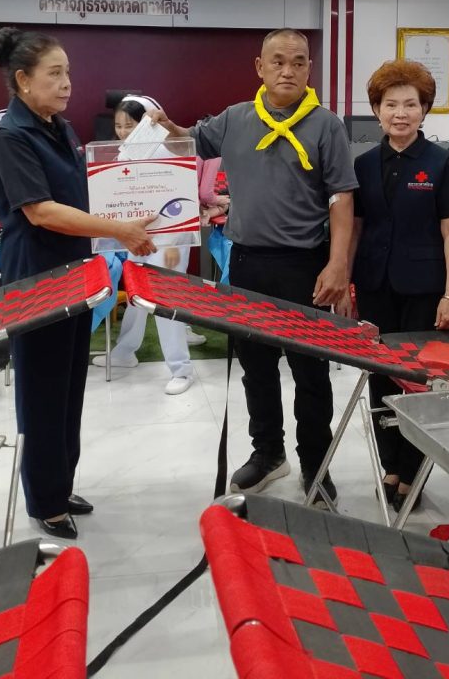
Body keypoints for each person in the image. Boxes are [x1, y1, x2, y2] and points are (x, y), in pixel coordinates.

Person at [151, 28, 356, 506]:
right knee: (256, 368)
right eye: (278, 61)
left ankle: (315, 463)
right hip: (247, 263)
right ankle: (268, 453)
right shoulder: (236, 118)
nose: (288, 70)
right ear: (260, 67)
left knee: (311, 372)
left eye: (299, 62)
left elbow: (342, 198)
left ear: (309, 69)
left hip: (305, 265)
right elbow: (191, 140)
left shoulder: (326, 125)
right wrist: (165, 126)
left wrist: (338, 265)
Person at [0, 27, 155, 540]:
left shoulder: (58, 128)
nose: (66, 84)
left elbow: (85, 193)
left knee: (67, 389)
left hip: (77, 273)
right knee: (41, 391)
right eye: (54, 74)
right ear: (23, 80)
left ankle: (61, 485)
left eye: (68, 73)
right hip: (37, 278)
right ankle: (44, 500)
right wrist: (119, 229)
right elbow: (41, 212)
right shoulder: (13, 137)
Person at [349, 60, 449, 513]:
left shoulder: (442, 162)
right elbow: (356, 229)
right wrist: (347, 284)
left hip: (424, 289)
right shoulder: (363, 164)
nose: (400, 113)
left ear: (424, 110)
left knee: (417, 382)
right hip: (375, 286)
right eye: (390, 104)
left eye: (411, 105)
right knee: (380, 376)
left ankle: (413, 470)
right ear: (376, 110)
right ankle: (390, 466)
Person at [92, 94, 195, 395]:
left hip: (169, 239)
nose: (123, 131)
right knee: (137, 297)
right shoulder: (123, 154)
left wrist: (174, 244)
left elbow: (181, 196)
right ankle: (125, 352)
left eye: (130, 125)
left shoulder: (167, 149)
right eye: (118, 126)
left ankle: (181, 369)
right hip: (137, 237)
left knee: (165, 300)